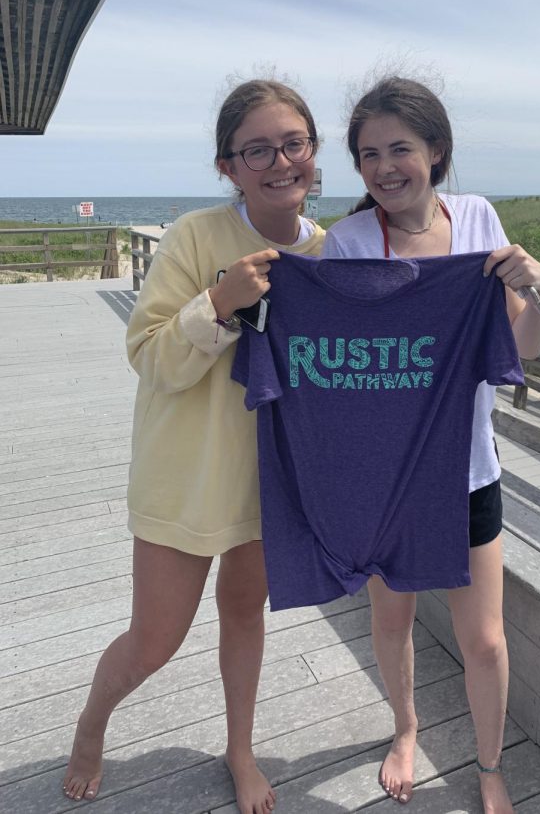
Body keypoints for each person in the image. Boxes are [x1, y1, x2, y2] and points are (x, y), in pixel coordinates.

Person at [63, 79, 325, 814]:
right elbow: (150, 356)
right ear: (228, 166)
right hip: (186, 473)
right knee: (154, 639)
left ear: (313, 153)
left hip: (271, 479)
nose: (279, 161)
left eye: (293, 143)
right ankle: (91, 725)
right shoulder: (194, 237)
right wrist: (218, 303)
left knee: (245, 615)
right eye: (257, 150)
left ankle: (239, 752)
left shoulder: (331, 252)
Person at [321, 77, 540, 812]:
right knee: (390, 618)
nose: (385, 167)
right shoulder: (349, 244)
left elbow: (518, 352)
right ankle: (405, 729)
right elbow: (326, 366)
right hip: (384, 479)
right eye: (368, 154)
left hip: (467, 472)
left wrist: (538, 290)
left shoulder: (479, 219)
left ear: (436, 151)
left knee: (483, 639)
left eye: (400, 149)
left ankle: (487, 767)